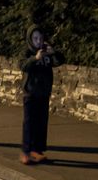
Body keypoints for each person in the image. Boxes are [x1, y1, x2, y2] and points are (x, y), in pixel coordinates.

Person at [19, 26, 65, 164]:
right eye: (35, 38)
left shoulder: (47, 52)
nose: (38, 41)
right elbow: (22, 65)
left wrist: (53, 53)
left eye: (40, 38)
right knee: (29, 123)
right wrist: (35, 58)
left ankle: (37, 150)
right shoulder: (27, 52)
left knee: (41, 122)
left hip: (44, 92)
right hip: (30, 92)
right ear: (30, 39)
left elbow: (59, 61)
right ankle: (26, 151)